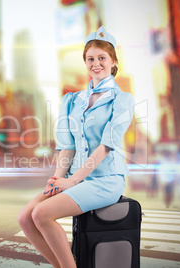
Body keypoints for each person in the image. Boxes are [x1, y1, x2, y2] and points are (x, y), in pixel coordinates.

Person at [17, 26, 135, 268]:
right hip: (72, 177)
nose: (96, 63)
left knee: (42, 214)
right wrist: (57, 180)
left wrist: (72, 182)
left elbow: (105, 146)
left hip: (105, 180)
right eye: (90, 59)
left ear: (113, 62)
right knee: (25, 218)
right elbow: (66, 147)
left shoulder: (122, 100)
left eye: (102, 58)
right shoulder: (72, 100)